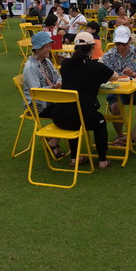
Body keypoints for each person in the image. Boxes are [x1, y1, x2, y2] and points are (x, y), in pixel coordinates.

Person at [51, 32, 117, 170]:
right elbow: (115, 77)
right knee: (100, 121)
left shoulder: (66, 64)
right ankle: (102, 161)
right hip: (83, 117)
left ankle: (75, 158)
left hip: (59, 116)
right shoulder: (97, 67)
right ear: (92, 48)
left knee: (74, 114)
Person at [100, 25, 136, 144]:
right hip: (116, 89)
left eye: (123, 44)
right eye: (118, 44)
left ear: (130, 40)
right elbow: (103, 74)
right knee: (115, 106)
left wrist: (134, 73)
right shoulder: (109, 54)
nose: (121, 47)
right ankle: (121, 135)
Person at [22, 30, 66, 157]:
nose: (49, 49)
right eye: (46, 46)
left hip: (50, 99)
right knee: (67, 113)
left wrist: (57, 84)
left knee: (70, 109)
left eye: (49, 46)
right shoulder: (30, 67)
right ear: (37, 49)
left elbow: (57, 76)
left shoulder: (46, 61)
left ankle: (52, 140)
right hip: (36, 105)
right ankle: (53, 142)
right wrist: (54, 88)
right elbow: (36, 92)